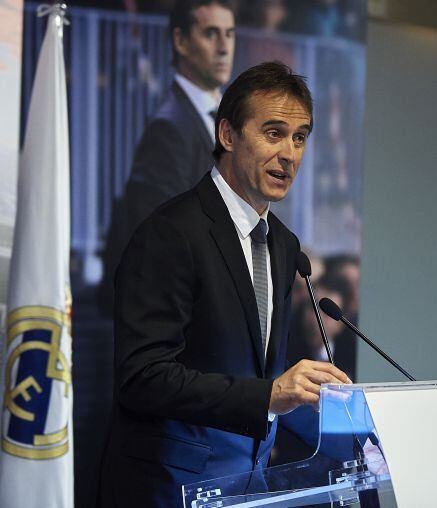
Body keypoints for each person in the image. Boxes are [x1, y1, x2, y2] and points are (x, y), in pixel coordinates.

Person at [96, 62, 351, 507]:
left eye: (300, 137)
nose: (289, 153)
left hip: (247, 492)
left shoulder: (283, 245)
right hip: (165, 491)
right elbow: (143, 377)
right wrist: (269, 394)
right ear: (228, 135)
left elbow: (261, 373)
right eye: (273, 133)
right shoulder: (170, 233)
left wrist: (359, 438)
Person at [99, 0, 236, 316]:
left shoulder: (223, 120)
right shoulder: (169, 126)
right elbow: (161, 234)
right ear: (180, 41)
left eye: (229, 34)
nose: (223, 47)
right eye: (211, 34)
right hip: (184, 318)